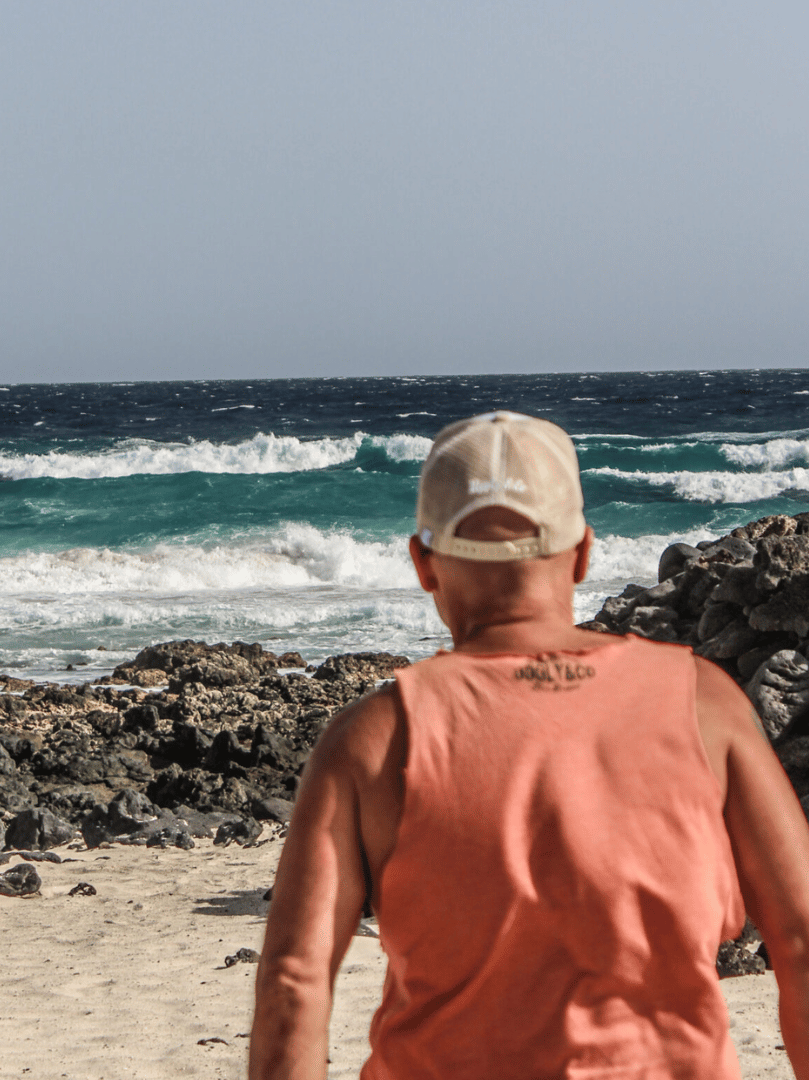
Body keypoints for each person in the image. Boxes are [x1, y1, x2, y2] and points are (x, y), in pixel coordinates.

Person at [249, 410, 809, 1079]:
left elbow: (294, 979)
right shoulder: (704, 704)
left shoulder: (373, 739)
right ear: (581, 553)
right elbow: (800, 938)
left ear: (424, 564)